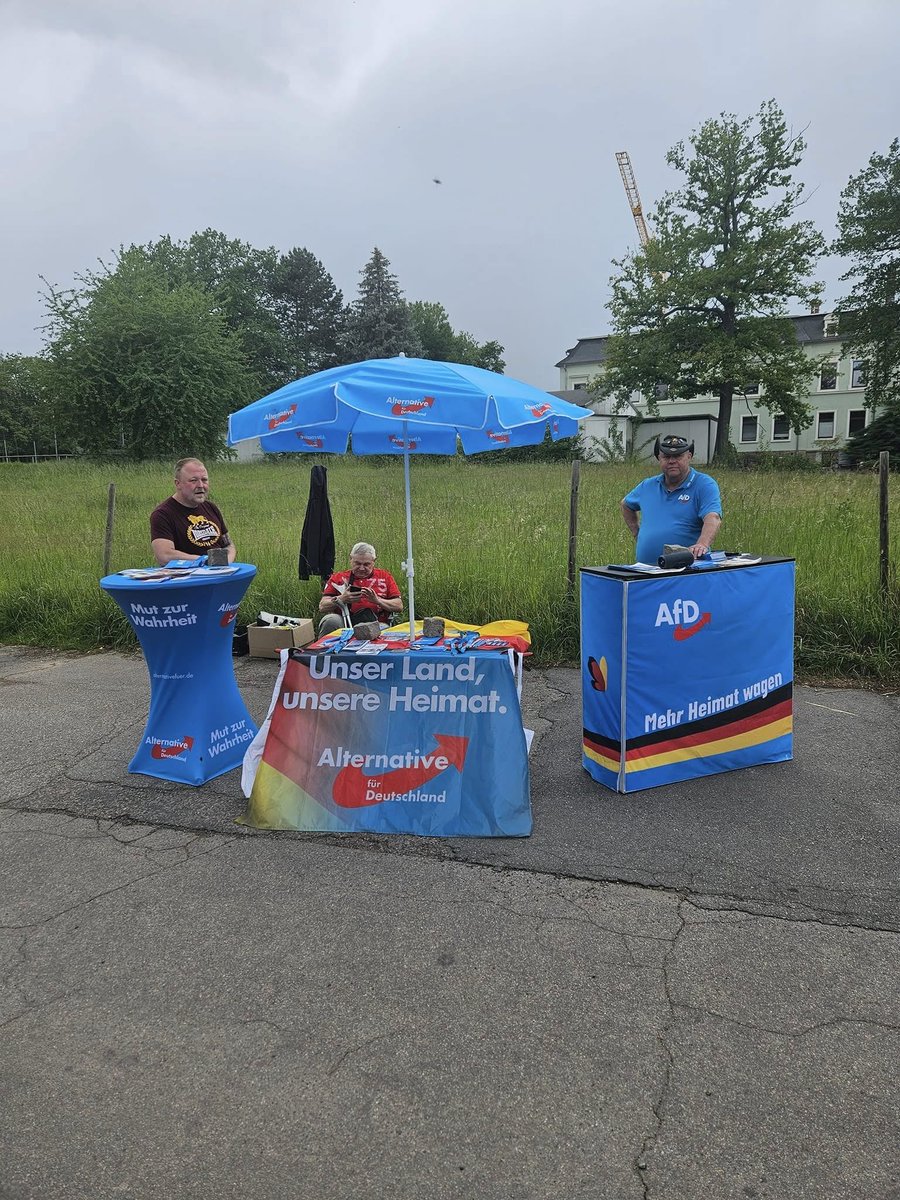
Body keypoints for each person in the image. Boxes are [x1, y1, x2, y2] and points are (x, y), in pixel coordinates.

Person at [620, 434, 722, 564]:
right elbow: (626, 504)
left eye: (678, 456)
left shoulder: (703, 484)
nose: (672, 461)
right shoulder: (647, 485)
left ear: (689, 457)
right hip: (645, 571)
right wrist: (637, 533)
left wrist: (702, 544)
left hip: (685, 571)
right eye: (666, 457)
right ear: (659, 458)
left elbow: (713, 517)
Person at [150, 458, 236, 566]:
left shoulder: (211, 507)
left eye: (204, 480)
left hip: (220, 573)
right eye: (193, 480)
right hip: (188, 580)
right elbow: (164, 556)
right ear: (178, 484)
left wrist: (225, 562)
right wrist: (206, 560)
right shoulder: (162, 514)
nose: (200, 485)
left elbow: (228, 545)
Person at [318, 542, 403, 636]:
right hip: (345, 621)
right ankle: (323, 649)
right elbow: (322, 606)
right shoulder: (338, 578)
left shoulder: (385, 576)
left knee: (372, 628)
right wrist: (342, 599)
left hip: (376, 622)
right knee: (330, 620)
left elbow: (399, 606)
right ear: (351, 560)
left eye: (366, 564)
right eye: (357, 563)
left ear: (374, 561)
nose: (362, 568)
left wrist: (377, 600)